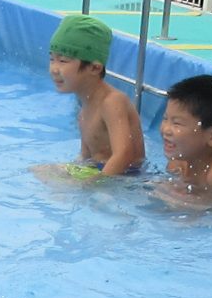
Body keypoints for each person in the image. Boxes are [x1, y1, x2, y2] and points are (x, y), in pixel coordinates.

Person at [46, 13, 145, 178]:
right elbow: (86, 158)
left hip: (127, 178)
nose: (54, 69)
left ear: (94, 68)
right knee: (43, 172)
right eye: (52, 59)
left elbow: (124, 154)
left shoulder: (112, 102)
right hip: (100, 171)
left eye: (63, 61)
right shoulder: (84, 109)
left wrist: (94, 184)